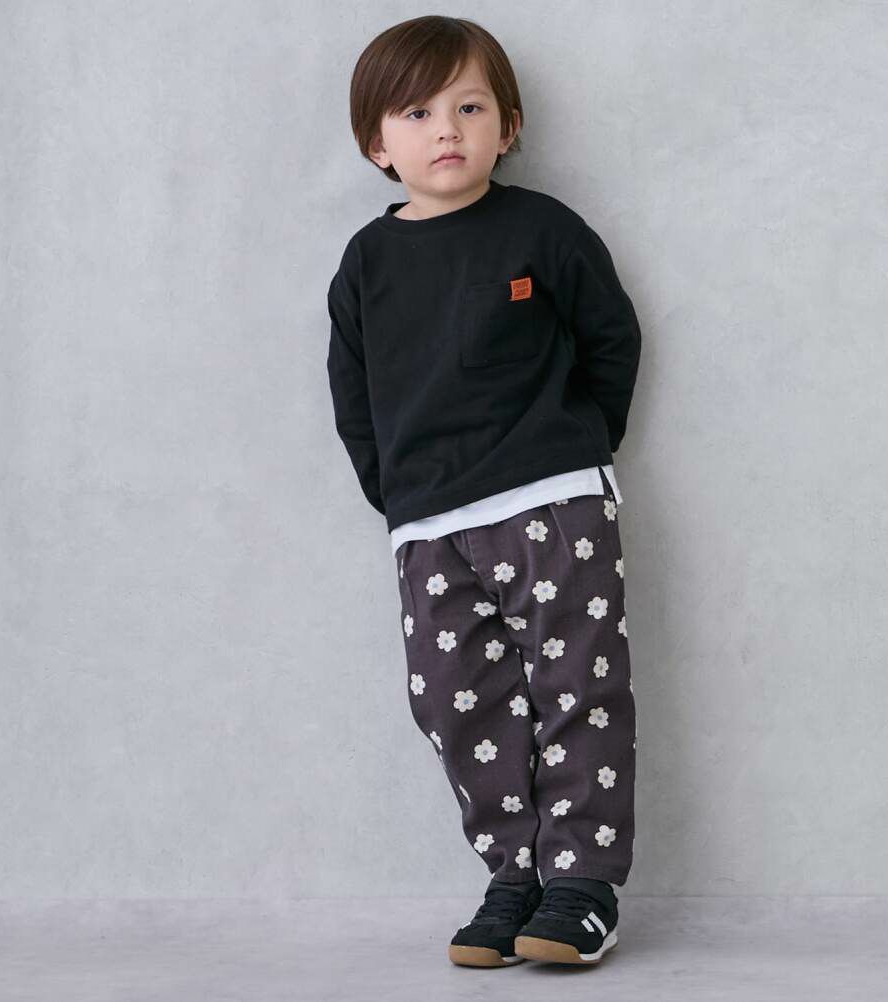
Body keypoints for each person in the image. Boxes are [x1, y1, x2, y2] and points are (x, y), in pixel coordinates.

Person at [326, 15, 642, 968]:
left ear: (509, 125)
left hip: (555, 503)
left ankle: (582, 884)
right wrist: (396, 498)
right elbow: (353, 394)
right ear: (378, 144)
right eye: (418, 113)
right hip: (430, 526)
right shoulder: (367, 263)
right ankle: (516, 876)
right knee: (460, 704)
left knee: (577, 689)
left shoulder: (543, 229)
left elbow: (611, 338)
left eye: (470, 108)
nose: (447, 130)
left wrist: (579, 446)